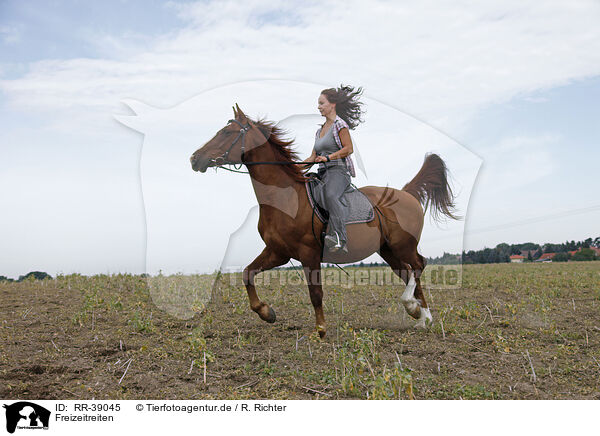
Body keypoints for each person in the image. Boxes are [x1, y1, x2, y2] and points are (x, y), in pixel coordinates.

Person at [303, 85, 365, 253]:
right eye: (318, 103)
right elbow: (312, 157)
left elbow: (348, 148)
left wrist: (328, 157)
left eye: (322, 103)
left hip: (339, 172)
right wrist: (295, 166)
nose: (318, 107)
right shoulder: (319, 131)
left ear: (332, 104)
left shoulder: (340, 125)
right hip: (322, 172)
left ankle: (339, 237)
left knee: (330, 194)